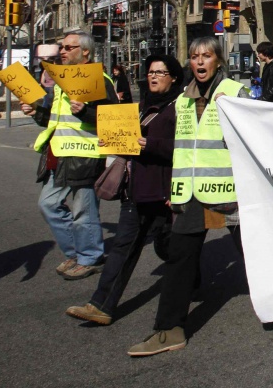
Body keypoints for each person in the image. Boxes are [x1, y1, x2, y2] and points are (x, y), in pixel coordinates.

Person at [128, 36, 248, 357]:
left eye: (206, 56)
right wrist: (174, 188)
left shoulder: (237, 94)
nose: (199, 62)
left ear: (218, 60)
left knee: (254, 253)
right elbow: (182, 150)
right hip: (192, 195)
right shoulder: (181, 101)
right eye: (194, 56)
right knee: (180, 259)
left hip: (230, 193)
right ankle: (169, 329)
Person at [66, 54, 182, 325]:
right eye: (151, 72)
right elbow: (113, 126)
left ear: (174, 77)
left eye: (160, 73)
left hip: (164, 192)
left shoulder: (179, 108)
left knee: (171, 248)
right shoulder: (141, 106)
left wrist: (150, 145)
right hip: (136, 189)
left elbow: (185, 148)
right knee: (122, 247)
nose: (153, 76)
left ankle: (192, 279)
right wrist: (84, 112)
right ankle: (101, 305)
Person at [23, 30, 118, 280]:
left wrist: (85, 111)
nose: (62, 52)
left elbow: (112, 120)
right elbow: (55, 121)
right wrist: (34, 111)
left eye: (68, 47)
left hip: (85, 155)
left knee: (83, 212)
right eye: (62, 47)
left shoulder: (98, 79)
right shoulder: (64, 83)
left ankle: (90, 257)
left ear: (85, 52)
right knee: (48, 205)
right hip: (59, 155)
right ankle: (77, 252)